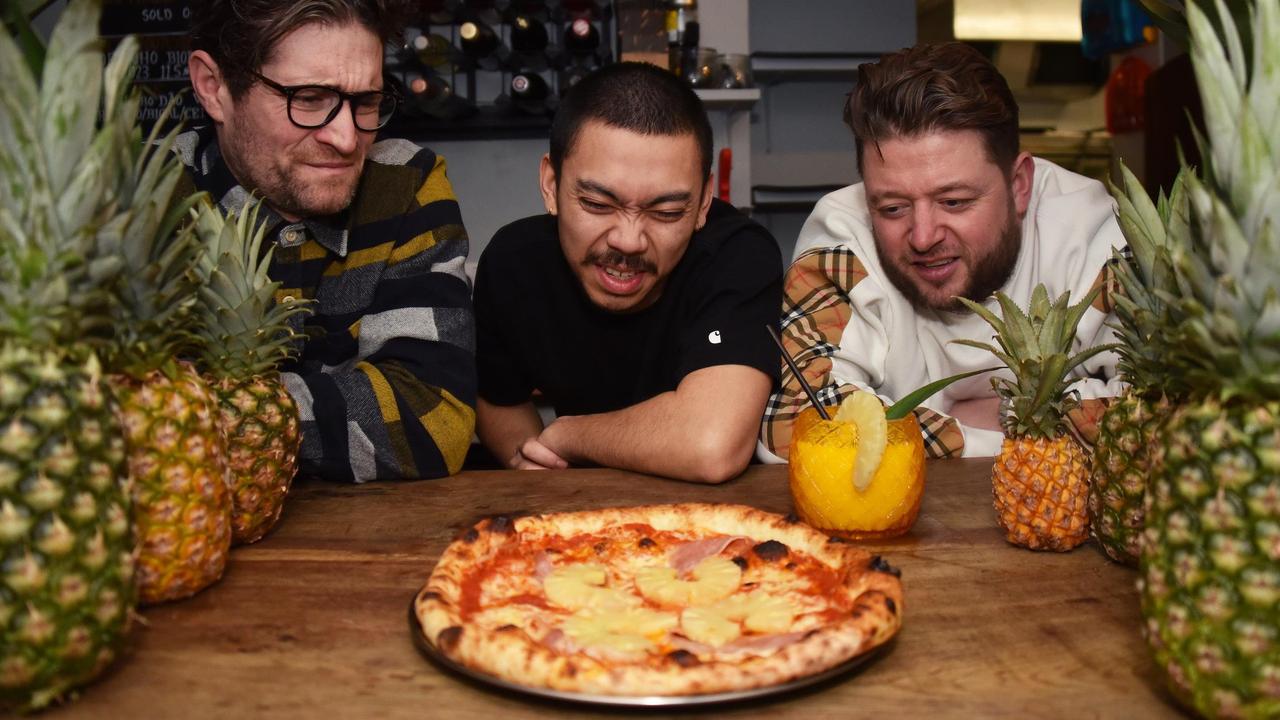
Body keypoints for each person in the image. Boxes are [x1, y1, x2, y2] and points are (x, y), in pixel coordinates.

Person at [759, 42, 1123, 461]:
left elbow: (1161, 413)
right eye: (893, 207)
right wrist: (1021, 423)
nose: (923, 237)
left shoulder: (1092, 233)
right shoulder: (842, 241)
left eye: (954, 202)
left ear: (1019, 185)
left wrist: (917, 412)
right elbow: (795, 428)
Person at [183, 0, 476, 482]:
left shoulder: (404, 182)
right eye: (310, 98)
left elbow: (433, 420)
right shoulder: (142, 202)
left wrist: (218, 419)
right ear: (213, 88)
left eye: (366, 102)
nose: (345, 138)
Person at [473, 62, 783, 484]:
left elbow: (710, 444)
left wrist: (569, 435)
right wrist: (540, 467)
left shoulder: (737, 254)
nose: (629, 241)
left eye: (667, 212)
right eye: (598, 205)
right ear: (550, 184)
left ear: (704, 203)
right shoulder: (513, 262)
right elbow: (499, 400)